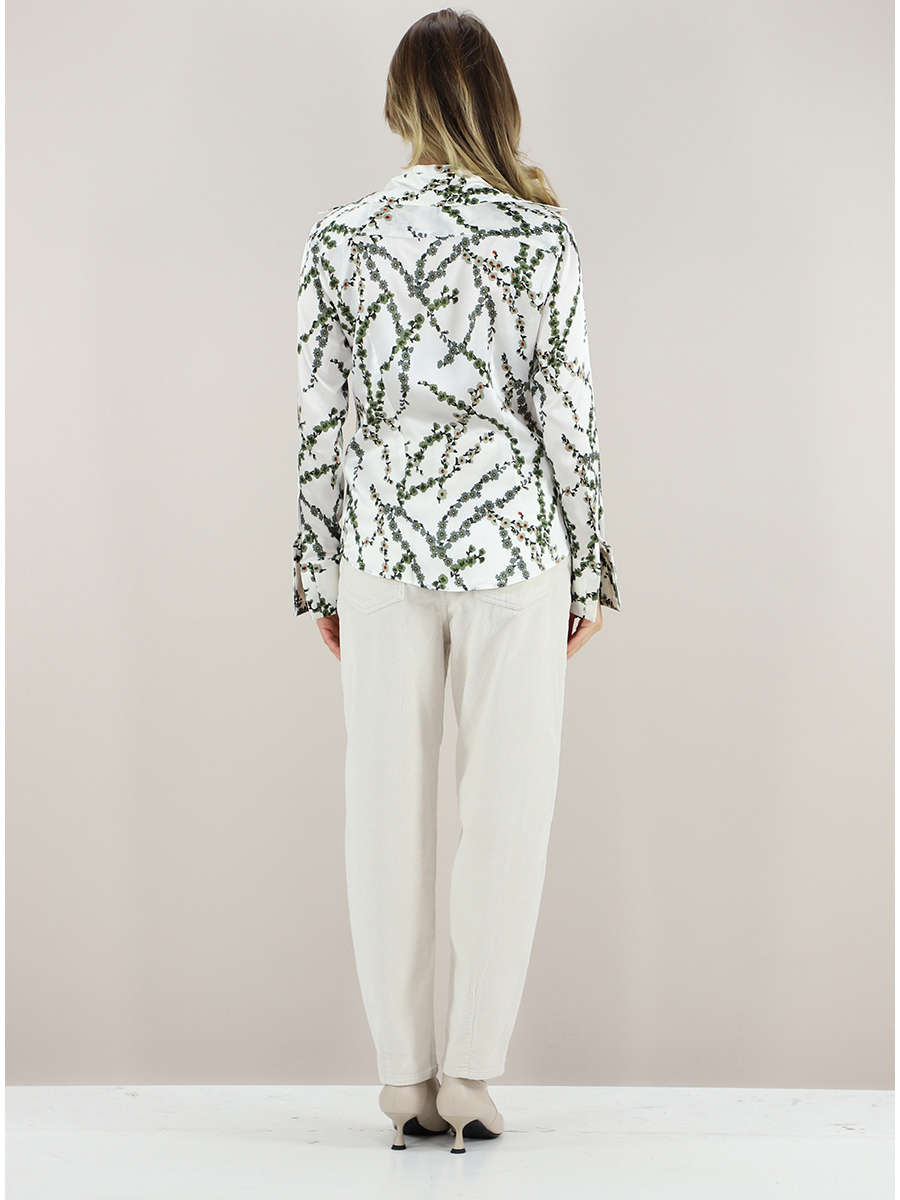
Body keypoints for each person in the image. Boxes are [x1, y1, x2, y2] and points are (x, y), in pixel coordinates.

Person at [292, 8, 622, 1154]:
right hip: (514, 543)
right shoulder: (540, 236)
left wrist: (316, 573)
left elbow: (321, 414)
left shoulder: (341, 235)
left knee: (382, 807)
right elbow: (567, 413)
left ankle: (402, 1078)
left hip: (382, 541)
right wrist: (592, 569)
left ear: (400, 101)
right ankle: (473, 1071)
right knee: (507, 808)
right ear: (498, 99)